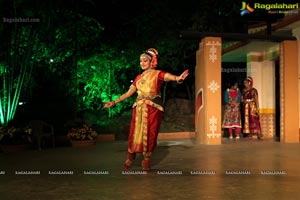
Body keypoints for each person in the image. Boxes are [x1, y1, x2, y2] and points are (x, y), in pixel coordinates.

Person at [102, 48, 189, 171]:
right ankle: (130, 157)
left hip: (152, 108)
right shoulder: (138, 77)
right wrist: (114, 102)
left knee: (150, 133)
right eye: (140, 61)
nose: (142, 63)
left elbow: (168, 76)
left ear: (151, 62)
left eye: (145, 61)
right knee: (134, 133)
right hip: (138, 108)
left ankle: (146, 158)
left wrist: (177, 78)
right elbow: (128, 93)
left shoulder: (157, 74)